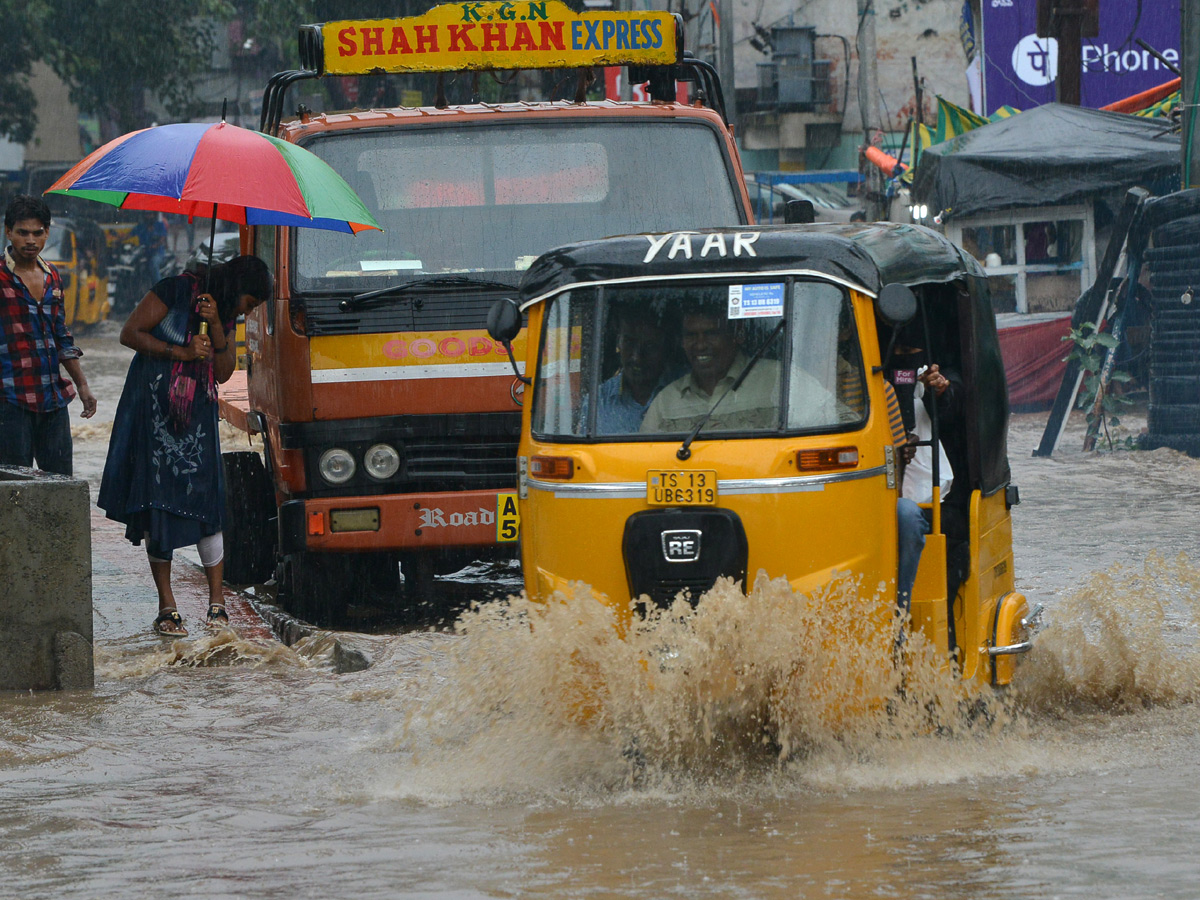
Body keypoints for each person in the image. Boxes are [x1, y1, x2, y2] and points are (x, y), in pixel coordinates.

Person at [98, 256, 272, 637]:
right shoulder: (174, 289)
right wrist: (180, 351)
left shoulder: (223, 311)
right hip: (154, 412)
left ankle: (217, 603)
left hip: (198, 416)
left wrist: (219, 336)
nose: (249, 311)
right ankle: (167, 606)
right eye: (250, 303)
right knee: (158, 501)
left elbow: (224, 373)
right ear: (238, 288)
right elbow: (130, 333)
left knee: (207, 501)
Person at [0, 195, 97, 474]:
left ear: (47, 233)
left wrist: (82, 384)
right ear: (9, 232)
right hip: (9, 401)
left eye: (37, 233)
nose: (30, 240)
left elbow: (61, 335)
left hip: (52, 398)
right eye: (23, 233)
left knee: (60, 485)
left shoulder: (52, 275)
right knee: (13, 491)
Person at [641, 308, 831, 433]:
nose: (699, 345)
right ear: (681, 342)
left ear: (737, 335)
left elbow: (844, 428)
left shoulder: (782, 380)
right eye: (691, 336)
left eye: (711, 334)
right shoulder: (666, 402)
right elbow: (642, 459)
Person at [596, 307, 673, 433]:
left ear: (666, 348)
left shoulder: (687, 390)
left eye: (649, 346)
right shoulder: (599, 402)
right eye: (629, 343)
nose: (637, 358)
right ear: (618, 344)